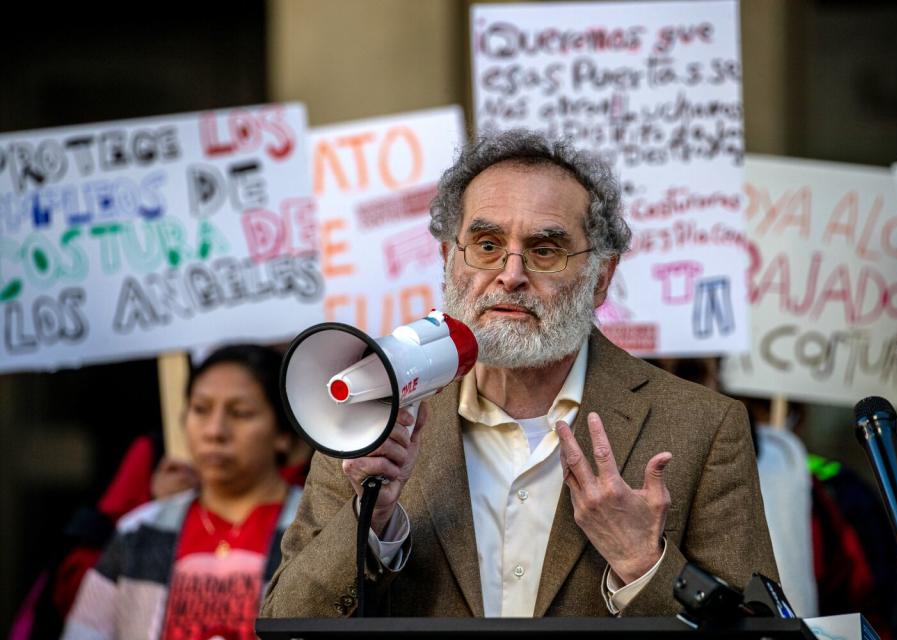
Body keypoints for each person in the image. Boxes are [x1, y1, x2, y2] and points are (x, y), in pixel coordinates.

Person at [261, 130, 777, 618]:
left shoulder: (704, 426)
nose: (510, 274)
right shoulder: (367, 416)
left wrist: (643, 566)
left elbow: (759, 630)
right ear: (448, 259)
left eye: (545, 251)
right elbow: (286, 621)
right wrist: (370, 523)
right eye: (486, 245)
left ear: (601, 278)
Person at [62, 345, 303, 639]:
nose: (215, 431)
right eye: (200, 409)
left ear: (283, 434)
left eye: (240, 413)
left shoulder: (315, 532)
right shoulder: (139, 531)